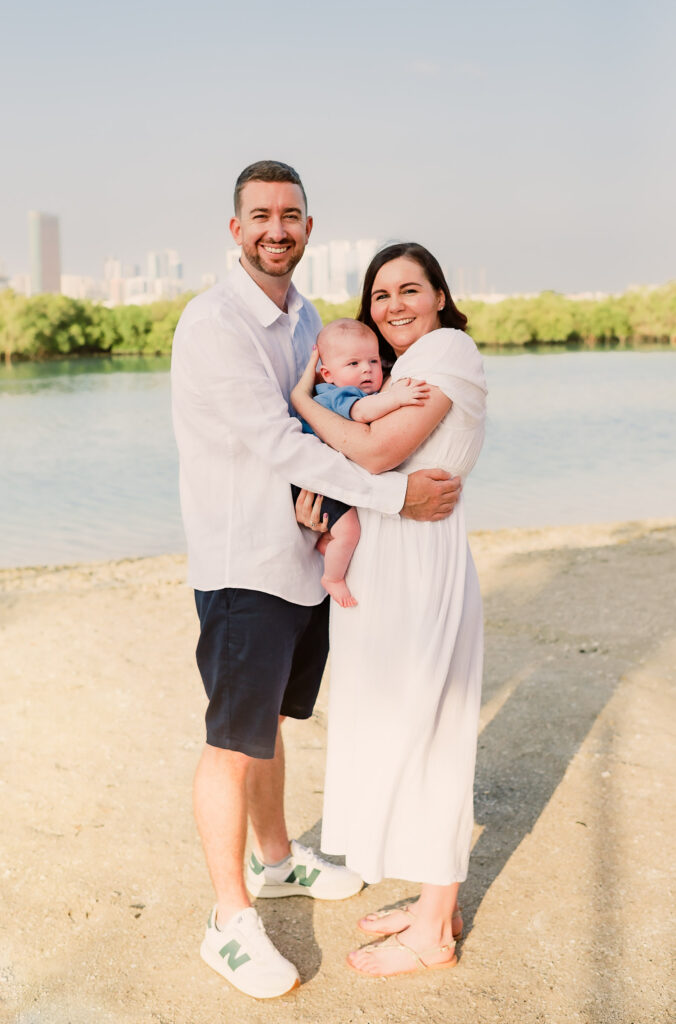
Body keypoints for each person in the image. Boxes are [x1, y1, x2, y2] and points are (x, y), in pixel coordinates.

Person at [170, 163, 463, 1000]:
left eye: (290, 214)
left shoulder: (304, 317)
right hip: (244, 566)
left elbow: (332, 415)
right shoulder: (215, 323)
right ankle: (228, 922)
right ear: (235, 229)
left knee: (270, 725)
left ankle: (275, 861)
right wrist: (395, 493)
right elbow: (284, 442)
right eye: (259, 214)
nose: (276, 227)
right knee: (231, 741)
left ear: (307, 225)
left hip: (303, 560)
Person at [291, 241, 487, 978]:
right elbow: (361, 458)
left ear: (439, 294)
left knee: (430, 732)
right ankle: (438, 901)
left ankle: (434, 932)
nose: (395, 304)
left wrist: (305, 402)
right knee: (400, 730)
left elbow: (372, 457)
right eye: (380, 295)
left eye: (410, 288)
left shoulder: (449, 351)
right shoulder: (402, 370)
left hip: (419, 563)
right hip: (386, 561)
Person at [293, 317, 430, 608]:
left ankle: (326, 544)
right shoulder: (335, 395)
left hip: (325, 475)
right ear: (327, 374)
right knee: (351, 530)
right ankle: (333, 577)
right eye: (353, 364)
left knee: (344, 530)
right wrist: (398, 397)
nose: (366, 369)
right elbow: (363, 413)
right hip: (317, 480)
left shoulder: (354, 389)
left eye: (373, 361)